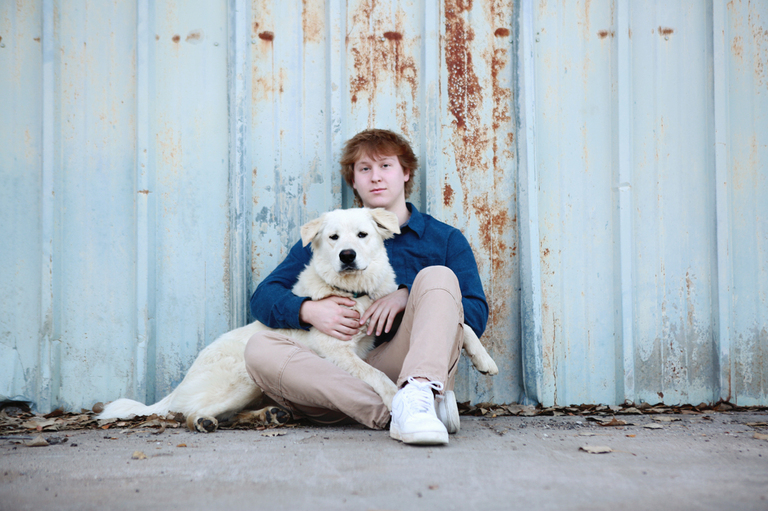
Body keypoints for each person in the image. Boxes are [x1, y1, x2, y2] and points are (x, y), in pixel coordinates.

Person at [245, 129, 488, 445]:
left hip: (403, 364)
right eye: (364, 169)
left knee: (438, 276)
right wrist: (308, 310)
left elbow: (475, 315)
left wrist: (409, 296)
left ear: (405, 172)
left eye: (385, 165)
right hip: (338, 379)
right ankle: (406, 410)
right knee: (259, 348)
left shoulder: (443, 239)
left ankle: (416, 394)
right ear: (353, 180)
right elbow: (263, 297)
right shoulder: (331, 238)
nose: (376, 177)